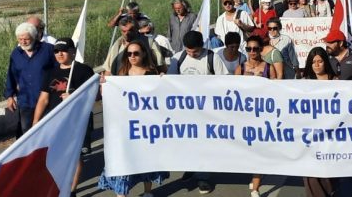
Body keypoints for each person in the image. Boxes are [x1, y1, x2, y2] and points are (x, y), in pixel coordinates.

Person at [98, 40, 168, 197]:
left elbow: (162, 100)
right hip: (125, 126)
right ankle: (121, 192)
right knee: (123, 159)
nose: (132, 56)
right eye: (129, 54)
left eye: (136, 53)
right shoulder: (120, 75)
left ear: (143, 53)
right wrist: (104, 85)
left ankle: (147, 192)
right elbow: (109, 98)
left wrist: (164, 81)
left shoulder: (152, 74)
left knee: (146, 159)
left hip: (147, 126)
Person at [166, 31, 227, 194]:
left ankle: (203, 178)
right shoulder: (178, 58)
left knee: (204, 144)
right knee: (188, 142)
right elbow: (170, 82)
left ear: (202, 46)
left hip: (207, 111)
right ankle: (191, 167)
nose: (192, 55)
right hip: (185, 111)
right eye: (189, 51)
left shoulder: (212, 58)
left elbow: (225, 82)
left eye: (195, 52)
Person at [33, 38, 95, 196]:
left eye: (63, 50)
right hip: (56, 121)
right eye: (56, 51)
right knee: (57, 155)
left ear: (73, 52)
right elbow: (43, 99)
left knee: (76, 155)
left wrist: (74, 95)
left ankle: (71, 190)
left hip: (78, 121)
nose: (59, 54)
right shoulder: (50, 73)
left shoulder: (84, 70)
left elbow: (95, 95)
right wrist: (36, 122)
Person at [237, 37, 275, 197]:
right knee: (248, 151)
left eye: (255, 49)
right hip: (245, 117)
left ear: (261, 50)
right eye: (249, 49)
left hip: (262, 116)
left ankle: (255, 188)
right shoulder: (240, 68)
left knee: (259, 151)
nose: (252, 52)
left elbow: (276, 90)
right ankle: (253, 173)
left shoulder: (268, 67)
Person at [5, 22, 56, 136]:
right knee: (27, 132)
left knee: (47, 131)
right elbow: (11, 75)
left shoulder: (48, 50)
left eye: (26, 39)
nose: (23, 42)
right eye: (20, 39)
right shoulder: (16, 54)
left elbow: (59, 70)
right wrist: (10, 96)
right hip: (25, 100)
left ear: (34, 37)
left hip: (47, 99)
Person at [301, 47, 337, 197]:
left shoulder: (335, 81)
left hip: (331, 134)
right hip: (310, 135)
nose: (316, 65)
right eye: (313, 62)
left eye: (320, 61)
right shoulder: (303, 83)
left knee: (327, 173)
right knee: (310, 172)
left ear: (325, 62)